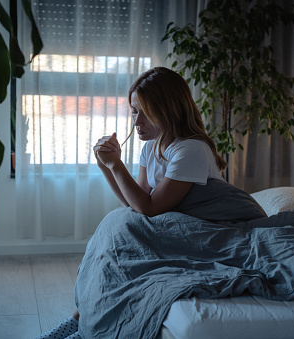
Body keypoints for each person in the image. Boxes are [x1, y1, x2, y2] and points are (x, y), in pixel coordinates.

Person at [35, 66, 228, 339]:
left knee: (118, 237)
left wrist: (116, 166)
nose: (136, 122)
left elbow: (149, 208)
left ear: (168, 110)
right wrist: (106, 166)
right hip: (170, 227)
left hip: (201, 232)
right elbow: (135, 202)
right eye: (133, 111)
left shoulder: (191, 149)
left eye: (144, 113)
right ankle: (82, 322)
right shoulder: (152, 146)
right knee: (115, 236)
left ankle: (83, 326)